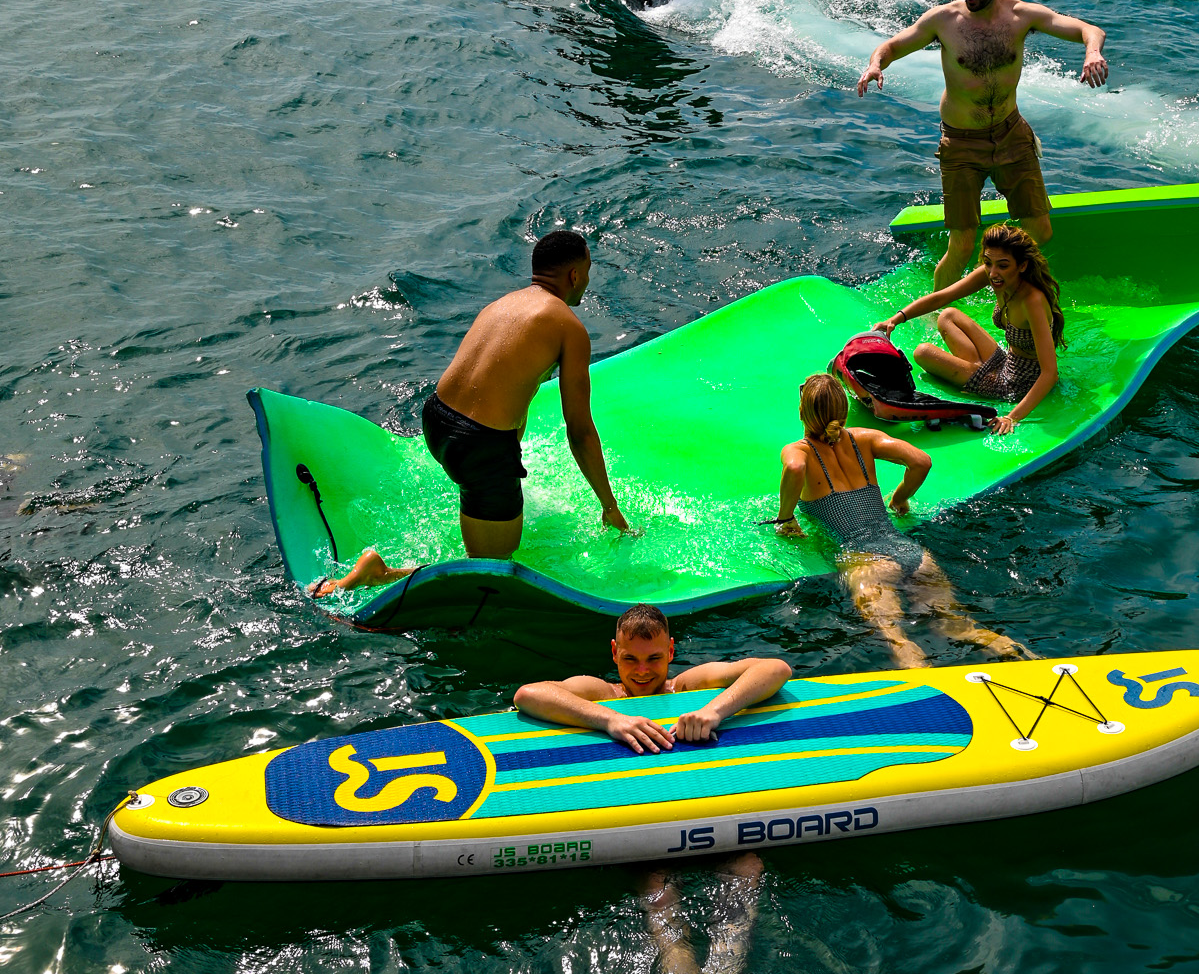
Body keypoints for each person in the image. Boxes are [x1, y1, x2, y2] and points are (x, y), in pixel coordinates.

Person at [309, 229, 629, 595]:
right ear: (574, 274)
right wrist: (609, 506)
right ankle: (378, 574)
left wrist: (505, 463)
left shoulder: (504, 305)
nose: (587, 281)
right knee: (489, 572)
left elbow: (505, 386)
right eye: (587, 271)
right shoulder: (569, 328)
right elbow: (580, 431)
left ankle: (478, 511)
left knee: (485, 521)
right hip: (478, 444)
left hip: (436, 418)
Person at [516, 606, 789, 974]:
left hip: (702, 812)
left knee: (745, 864)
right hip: (648, 824)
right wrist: (611, 718)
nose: (642, 671)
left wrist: (715, 711)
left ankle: (727, 964)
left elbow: (775, 669)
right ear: (614, 652)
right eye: (630, 659)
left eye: (654, 659)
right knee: (655, 877)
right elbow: (529, 694)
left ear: (672, 651)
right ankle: (679, 962)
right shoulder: (603, 693)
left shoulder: (689, 686)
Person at [857, 0, 1107, 289]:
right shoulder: (943, 21)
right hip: (961, 142)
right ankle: (936, 314)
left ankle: (997, 270)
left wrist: (1092, 52)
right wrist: (875, 65)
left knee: (1041, 231)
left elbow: (1088, 29)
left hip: (1011, 133)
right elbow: (893, 46)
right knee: (960, 247)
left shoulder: (1022, 15)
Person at [774, 373, 1025, 665]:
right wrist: (900, 497)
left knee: (897, 638)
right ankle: (1031, 661)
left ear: (802, 411)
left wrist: (785, 518)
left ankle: (928, 706)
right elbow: (921, 460)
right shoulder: (863, 438)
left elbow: (793, 468)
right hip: (911, 553)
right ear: (843, 412)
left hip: (867, 563)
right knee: (959, 625)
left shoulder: (799, 451)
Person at [873, 220, 1062, 436]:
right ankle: (976, 370)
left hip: (1018, 384)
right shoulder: (995, 276)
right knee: (948, 315)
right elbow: (942, 297)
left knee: (922, 352)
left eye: (1003, 265)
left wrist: (1012, 416)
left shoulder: (1033, 301)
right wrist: (896, 319)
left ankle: (976, 373)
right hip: (1005, 362)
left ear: (1022, 265)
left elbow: (1050, 373)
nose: (993, 273)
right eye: (988, 263)